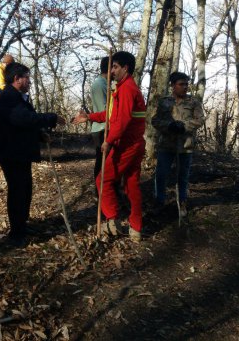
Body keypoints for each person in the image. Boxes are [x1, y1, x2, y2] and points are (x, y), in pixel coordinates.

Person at [73, 51, 146, 242]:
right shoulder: (120, 88)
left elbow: (121, 121)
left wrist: (109, 140)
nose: (111, 71)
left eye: (114, 67)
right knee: (131, 185)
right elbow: (111, 114)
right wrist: (89, 116)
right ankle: (136, 228)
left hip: (127, 145)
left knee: (102, 180)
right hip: (132, 144)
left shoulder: (128, 89)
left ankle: (112, 220)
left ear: (125, 68)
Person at [0, 62, 65, 247]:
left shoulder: (17, 96)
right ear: (17, 79)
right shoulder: (9, 97)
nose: (29, 81)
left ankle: (21, 225)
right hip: (11, 153)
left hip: (19, 152)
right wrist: (52, 118)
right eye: (27, 77)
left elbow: (22, 124)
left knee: (25, 190)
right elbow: (24, 119)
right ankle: (16, 233)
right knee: (17, 192)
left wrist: (40, 135)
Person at [151, 71, 204, 219]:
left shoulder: (193, 102)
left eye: (187, 84)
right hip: (166, 146)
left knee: (183, 177)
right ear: (173, 86)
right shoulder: (164, 102)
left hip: (185, 147)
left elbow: (200, 120)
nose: (185, 87)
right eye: (181, 84)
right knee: (161, 175)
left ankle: (182, 203)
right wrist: (169, 126)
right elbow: (155, 121)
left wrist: (184, 126)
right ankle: (159, 202)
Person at [90, 57, 109, 179]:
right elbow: (104, 111)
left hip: (103, 127)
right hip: (101, 128)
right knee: (102, 161)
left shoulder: (105, 84)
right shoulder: (99, 84)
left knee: (105, 161)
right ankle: (99, 192)